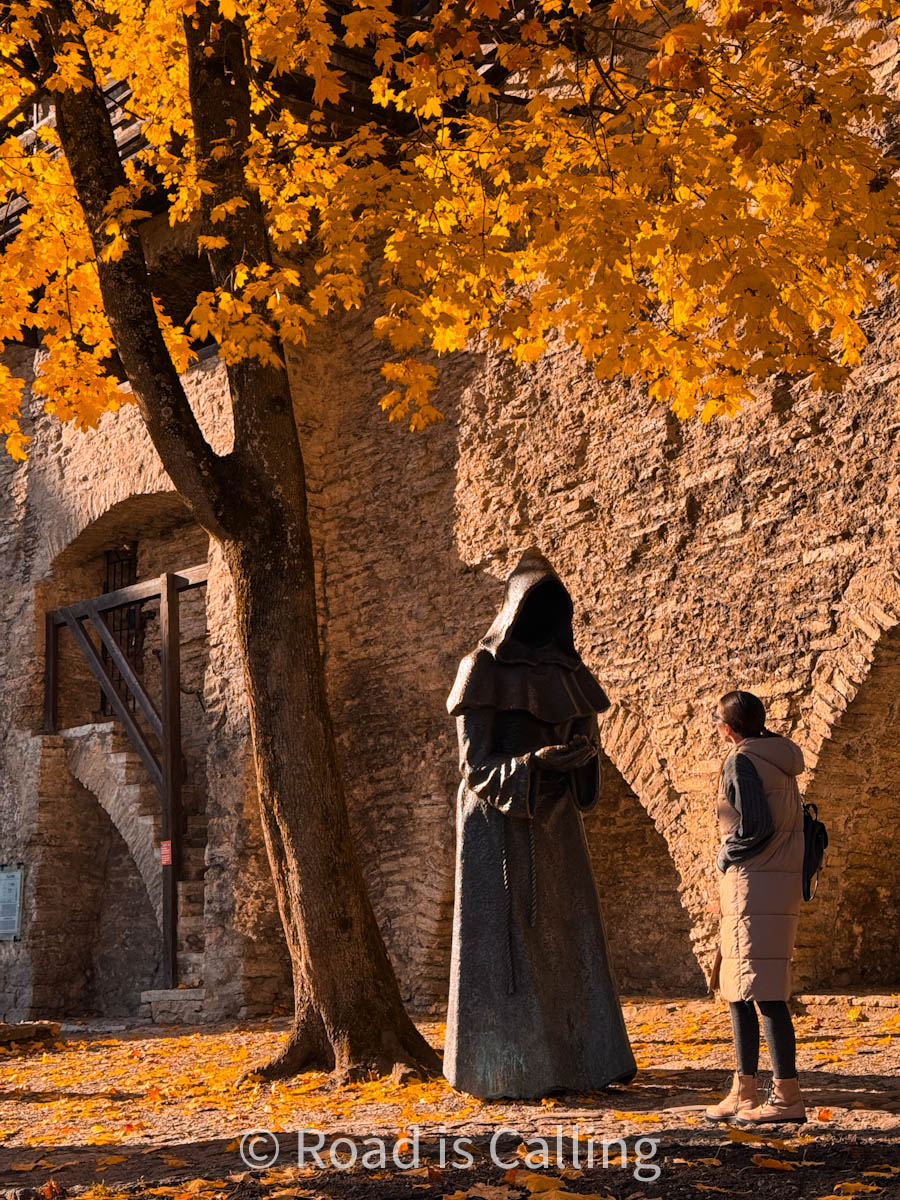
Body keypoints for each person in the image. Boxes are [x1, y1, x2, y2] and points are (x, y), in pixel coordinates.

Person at [443, 547, 636, 1099]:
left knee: (571, 936)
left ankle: (584, 1060)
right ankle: (503, 1064)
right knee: (508, 950)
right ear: (514, 608)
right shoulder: (481, 667)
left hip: (555, 821)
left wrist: (579, 760)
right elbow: (474, 764)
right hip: (498, 823)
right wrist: (532, 765)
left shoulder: (570, 673)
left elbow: (587, 742)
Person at [705, 690, 807, 1125]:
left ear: (728, 728)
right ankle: (744, 1089)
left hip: (753, 885)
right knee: (738, 988)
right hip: (768, 884)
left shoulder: (741, 760)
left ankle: (786, 1097)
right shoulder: (777, 758)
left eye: (717, 721)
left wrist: (727, 855)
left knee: (763, 993)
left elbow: (758, 825)